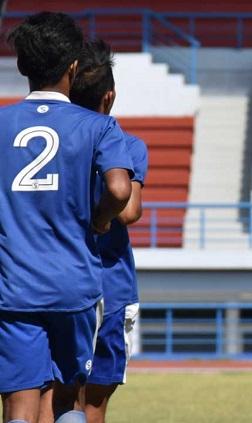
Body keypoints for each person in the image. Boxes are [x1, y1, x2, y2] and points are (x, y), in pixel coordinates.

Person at [0, 12, 133, 423]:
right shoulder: (99, 126)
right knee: (67, 401)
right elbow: (119, 189)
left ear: (22, 66)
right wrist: (99, 221)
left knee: (18, 405)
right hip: (74, 284)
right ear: (73, 67)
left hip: (14, 283)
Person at [44, 39, 146, 423]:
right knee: (94, 403)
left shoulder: (55, 142)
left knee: (53, 395)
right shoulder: (125, 143)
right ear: (110, 96)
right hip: (110, 284)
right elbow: (130, 209)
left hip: (53, 279)